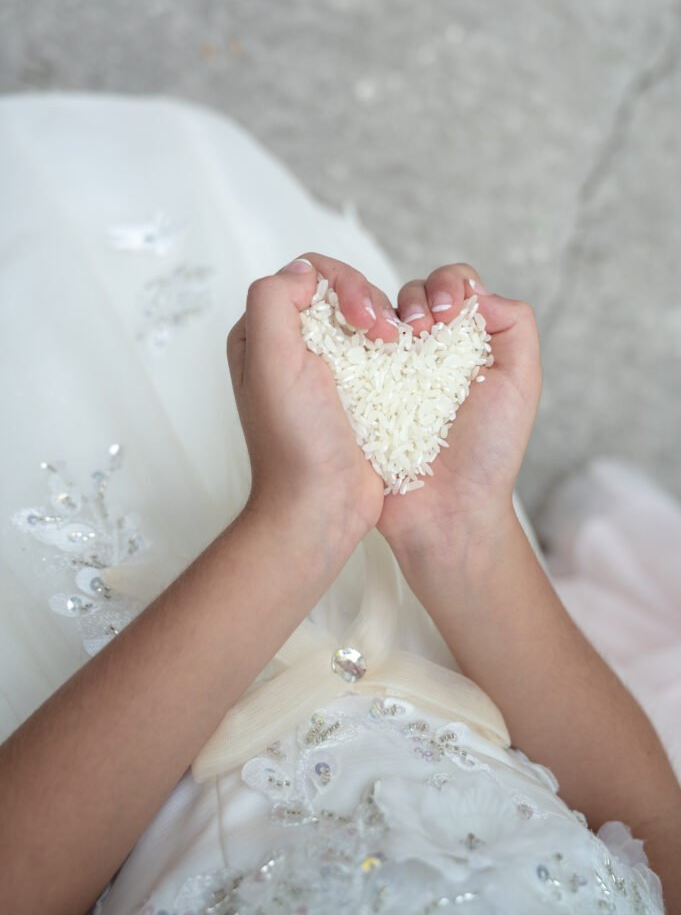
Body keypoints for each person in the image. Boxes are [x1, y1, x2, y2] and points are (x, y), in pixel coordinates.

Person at [0, 96, 679, 915]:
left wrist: (297, 529)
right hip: (453, 629)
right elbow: (650, 832)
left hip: (108, 738)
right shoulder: (447, 531)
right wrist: (462, 534)